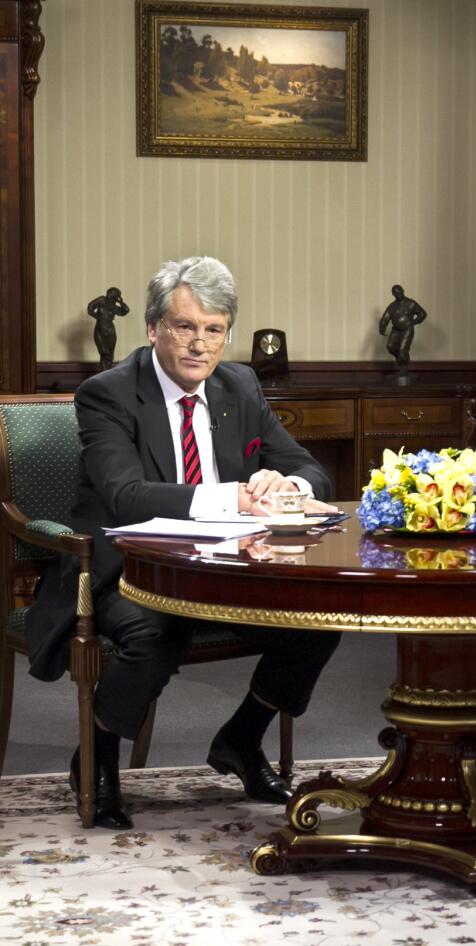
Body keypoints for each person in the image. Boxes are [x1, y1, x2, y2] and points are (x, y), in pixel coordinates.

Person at [27, 256, 342, 830]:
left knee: (318, 620)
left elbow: (310, 470)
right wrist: (233, 497)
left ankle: (241, 740)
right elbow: (124, 495)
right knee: (156, 632)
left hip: (224, 570)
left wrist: (286, 483)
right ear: (153, 329)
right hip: (127, 569)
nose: (201, 345)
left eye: (214, 329)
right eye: (185, 327)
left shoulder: (238, 384)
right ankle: (96, 755)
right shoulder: (108, 394)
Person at [379, 284, 428, 369]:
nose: (399, 295)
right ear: (393, 295)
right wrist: (382, 327)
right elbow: (385, 317)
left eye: (400, 293)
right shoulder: (392, 306)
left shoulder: (411, 303)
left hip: (407, 330)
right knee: (390, 347)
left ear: (403, 291)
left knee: (402, 350)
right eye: (396, 294)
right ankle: (401, 358)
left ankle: (402, 365)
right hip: (396, 330)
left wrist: (414, 322)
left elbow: (422, 314)